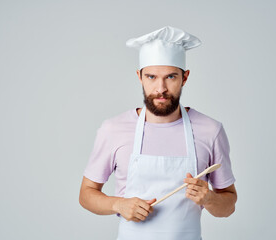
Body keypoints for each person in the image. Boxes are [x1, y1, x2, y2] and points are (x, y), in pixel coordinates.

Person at [79, 26, 237, 240]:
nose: (160, 88)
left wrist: (208, 198)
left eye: (170, 77)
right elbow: (86, 194)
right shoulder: (113, 129)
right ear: (140, 77)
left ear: (185, 77)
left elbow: (228, 206)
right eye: (151, 77)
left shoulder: (211, 130)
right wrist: (118, 204)